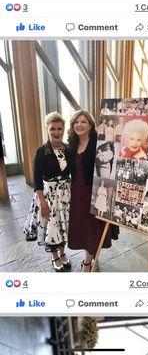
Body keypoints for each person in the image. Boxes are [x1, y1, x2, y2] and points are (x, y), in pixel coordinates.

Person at [68, 109, 119, 272]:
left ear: (90, 125)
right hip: (77, 191)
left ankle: (87, 262)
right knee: (83, 226)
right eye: (76, 122)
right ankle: (91, 256)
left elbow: (108, 163)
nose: (79, 125)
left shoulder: (99, 142)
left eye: (83, 121)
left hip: (94, 190)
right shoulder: (71, 142)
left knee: (93, 227)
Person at [24, 112, 71, 272]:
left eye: (59, 129)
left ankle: (63, 252)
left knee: (64, 225)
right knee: (51, 226)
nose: (56, 132)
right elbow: (36, 179)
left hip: (65, 194)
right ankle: (54, 256)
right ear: (47, 129)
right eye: (53, 129)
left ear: (64, 129)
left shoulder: (67, 149)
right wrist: (42, 201)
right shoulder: (41, 152)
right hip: (48, 195)